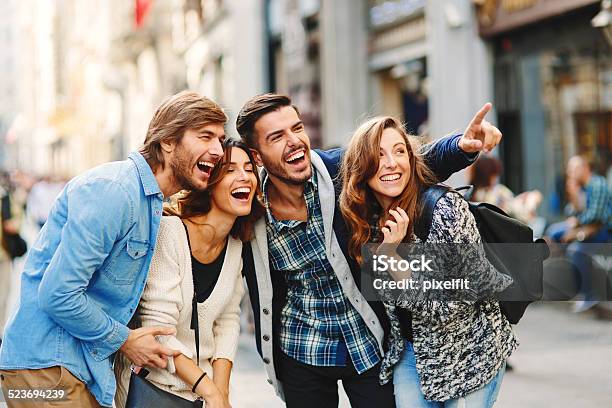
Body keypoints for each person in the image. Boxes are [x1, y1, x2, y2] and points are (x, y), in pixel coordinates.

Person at [235, 93, 503, 408]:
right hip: (301, 348)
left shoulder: (335, 170)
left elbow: (404, 164)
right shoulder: (247, 206)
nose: (294, 141)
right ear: (256, 155)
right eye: (277, 137)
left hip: (366, 340)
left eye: (297, 128)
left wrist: (462, 145)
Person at [0, 91, 227, 408]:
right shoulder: (116, 190)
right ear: (168, 143)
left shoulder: (149, 205)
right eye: (206, 136)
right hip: (44, 373)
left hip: (78, 372)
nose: (218, 150)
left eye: (220, 139)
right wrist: (125, 340)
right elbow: (58, 293)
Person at [339, 116, 517, 407]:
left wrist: (392, 260)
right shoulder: (366, 220)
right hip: (411, 354)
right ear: (362, 167)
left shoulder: (444, 210)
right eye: (379, 155)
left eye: (399, 151)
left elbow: (451, 304)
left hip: (468, 353)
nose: (392, 163)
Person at [114, 139, 264, 408]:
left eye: (249, 169)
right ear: (209, 183)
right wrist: (210, 391)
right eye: (230, 170)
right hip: (153, 390)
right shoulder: (169, 232)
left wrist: (222, 393)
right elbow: (158, 330)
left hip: (200, 396)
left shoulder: (235, 245)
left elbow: (228, 322)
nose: (244, 177)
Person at [546, 155, 611, 312]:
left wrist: (576, 228)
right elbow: (570, 212)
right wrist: (574, 194)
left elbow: (596, 216)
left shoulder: (598, 184)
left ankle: (588, 294)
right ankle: (560, 281)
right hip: (587, 228)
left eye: (573, 169)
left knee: (576, 250)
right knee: (553, 232)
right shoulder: (581, 187)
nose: (570, 172)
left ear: (585, 168)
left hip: (604, 230)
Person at [468, 155, 543, 230]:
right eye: (494, 175)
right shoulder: (497, 192)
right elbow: (519, 214)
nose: (495, 178)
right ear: (489, 175)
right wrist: (530, 201)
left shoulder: (470, 193)